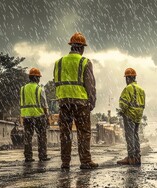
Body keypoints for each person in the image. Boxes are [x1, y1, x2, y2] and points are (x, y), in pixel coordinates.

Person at [53, 32, 98, 170]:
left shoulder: (59, 62)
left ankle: (65, 162)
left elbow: (56, 82)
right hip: (80, 102)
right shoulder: (85, 62)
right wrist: (92, 101)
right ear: (82, 48)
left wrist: (63, 97)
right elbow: (90, 84)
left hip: (64, 102)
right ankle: (85, 161)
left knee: (65, 133)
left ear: (71, 46)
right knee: (83, 132)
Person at [20, 68, 50, 162]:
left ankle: (28, 157)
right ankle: (42, 156)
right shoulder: (39, 89)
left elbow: (21, 102)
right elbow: (44, 104)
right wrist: (47, 116)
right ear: (37, 78)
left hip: (27, 116)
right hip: (39, 116)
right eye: (39, 77)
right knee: (41, 136)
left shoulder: (23, 89)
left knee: (28, 137)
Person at [117, 68, 146, 166]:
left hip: (129, 115)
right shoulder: (141, 90)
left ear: (128, 78)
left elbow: (123, 104)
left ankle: (131, 158)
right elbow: (143, 105)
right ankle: (137, 157)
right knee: (135, 136)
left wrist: (122, 112)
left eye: (126, 78)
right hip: (138, 116)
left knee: (130, 137)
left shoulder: (128, 88)